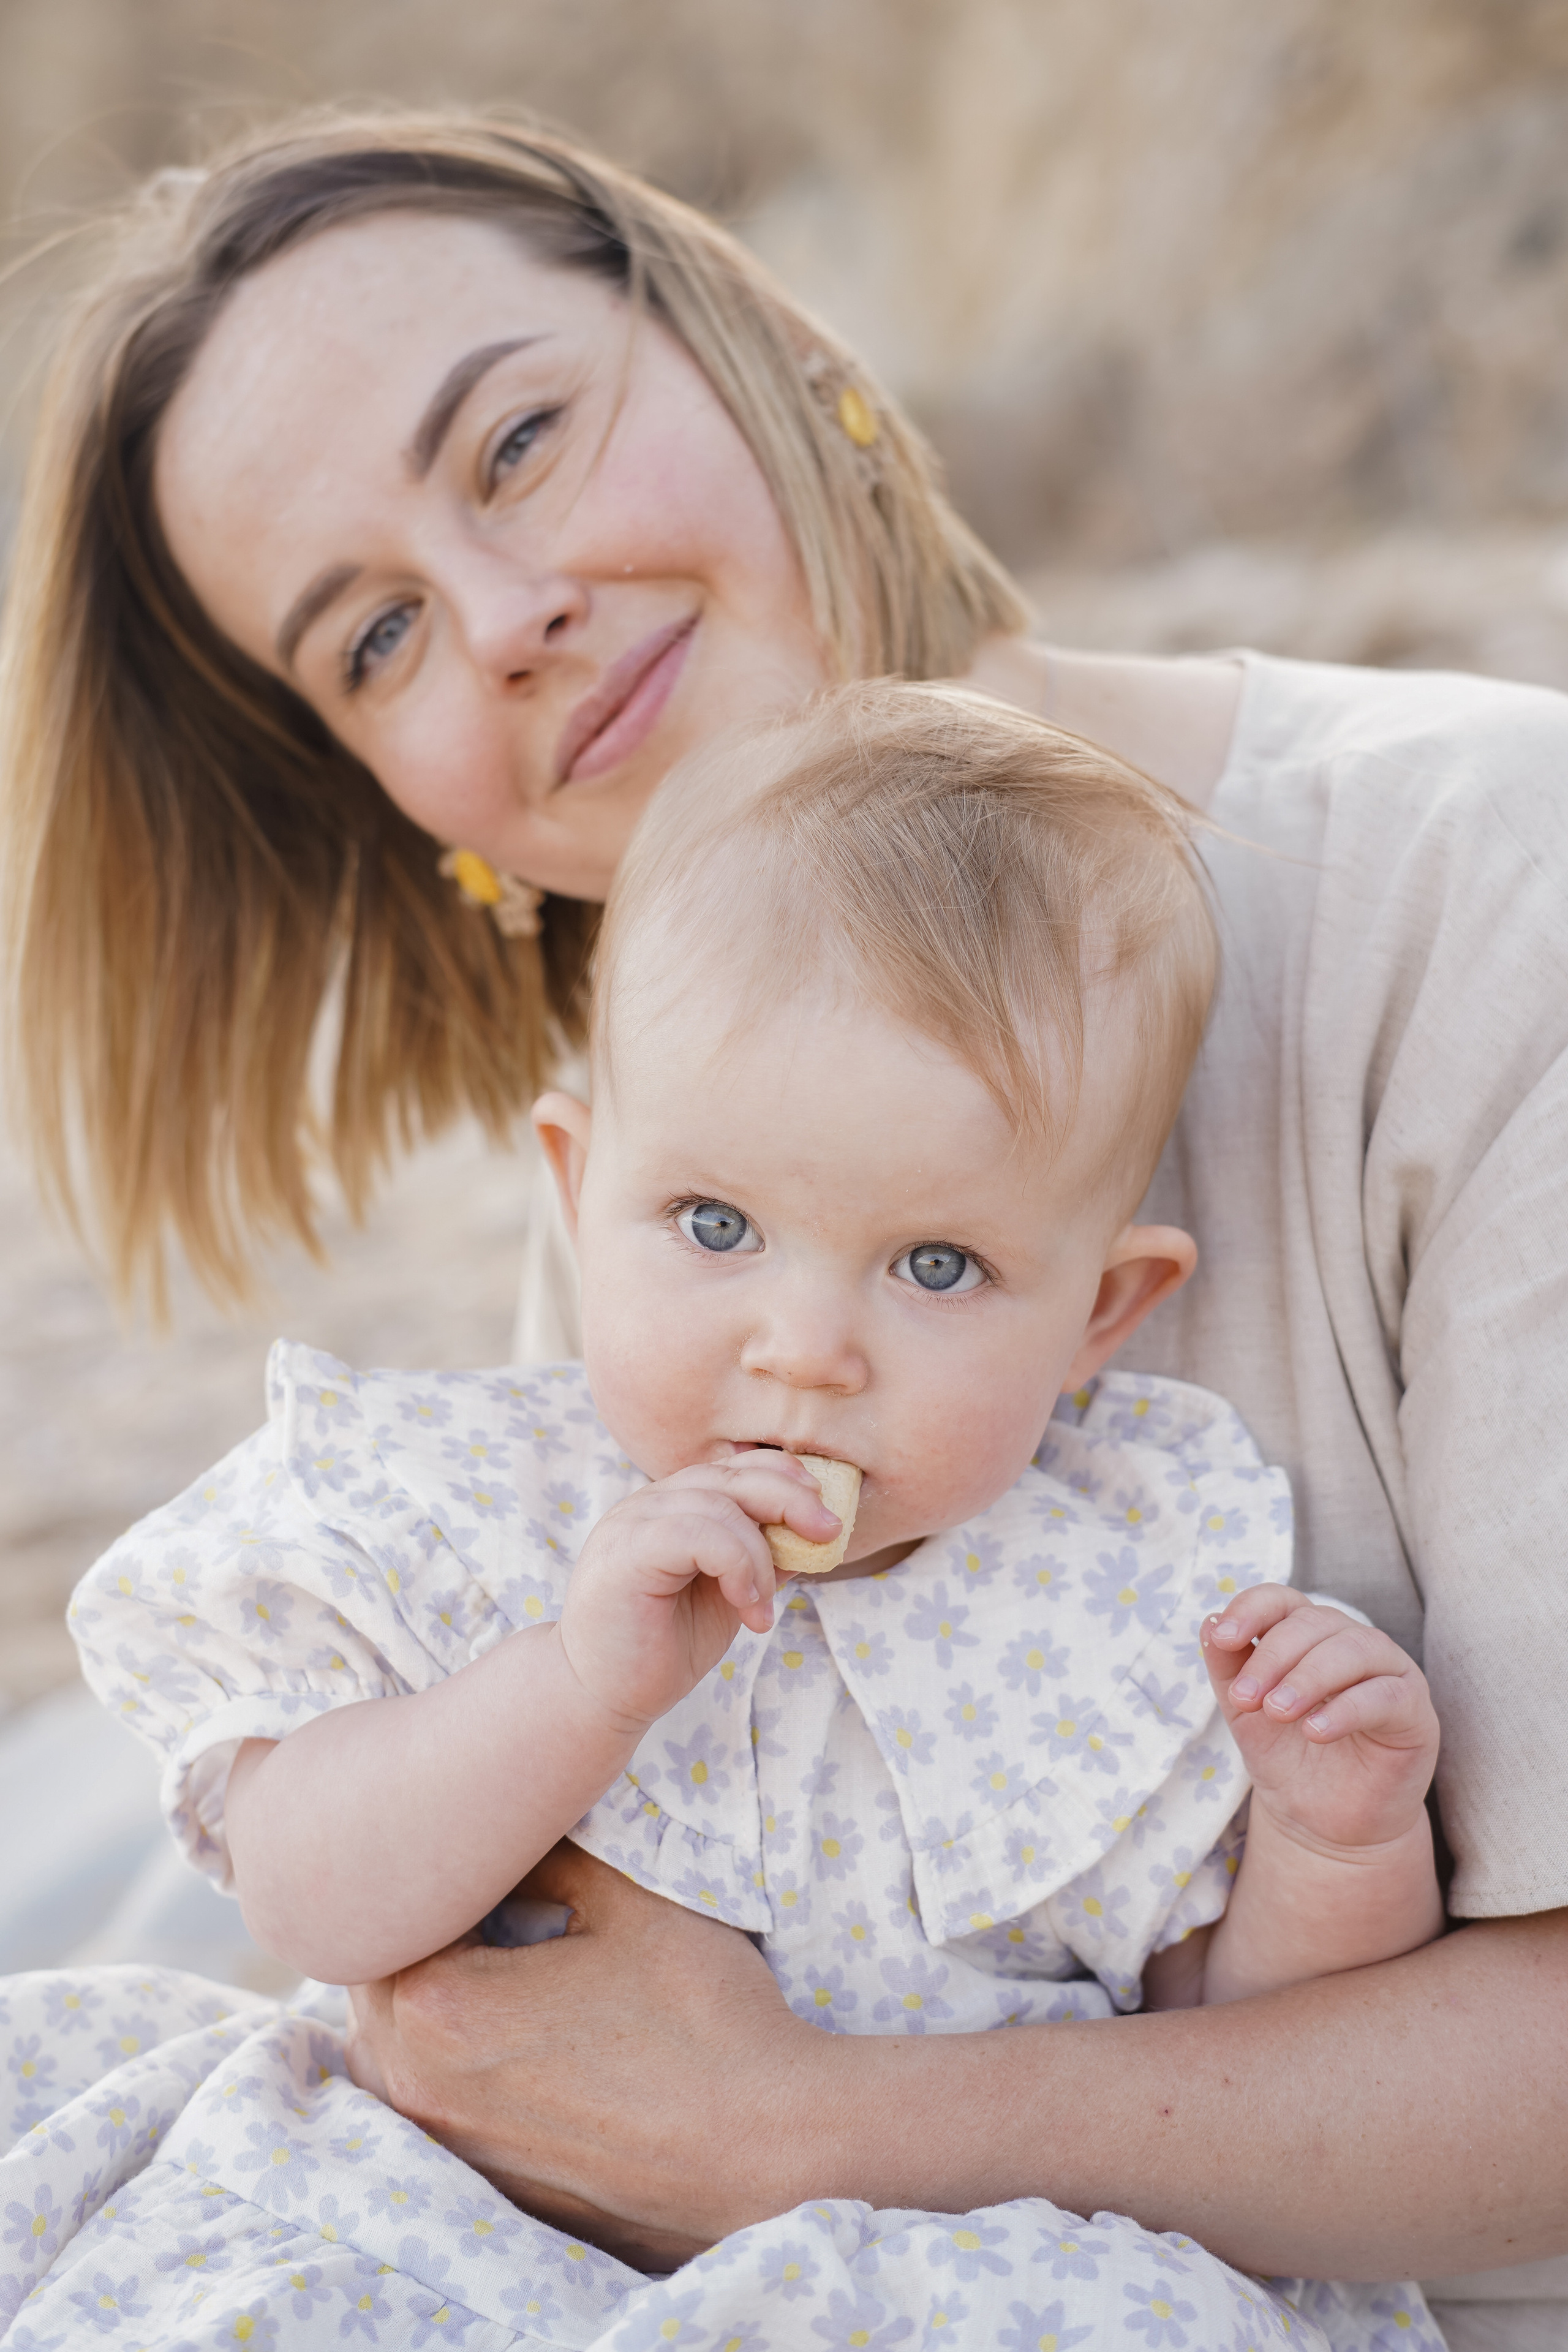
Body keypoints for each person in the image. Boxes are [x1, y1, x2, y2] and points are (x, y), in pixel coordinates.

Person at [0, 106, 1564, 2352]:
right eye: (376, 637)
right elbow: (524, 2023)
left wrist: (802, 2131)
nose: (514, 615)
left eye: (522, 440)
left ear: (758, 348)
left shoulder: (1503, 894)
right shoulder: (644, 1253)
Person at [65, 683, 1446, 2349]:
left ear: (1098, 1315)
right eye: (715, 1224)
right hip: (454, 2237)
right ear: (582, 1195)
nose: (803, 1348)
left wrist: (1334, 1839)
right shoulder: (474, 1510)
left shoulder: (1124, 1607)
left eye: (937, 1266)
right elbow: (307, 1899)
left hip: (943, 2281)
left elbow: (1237, 2064)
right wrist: (578, 1685)